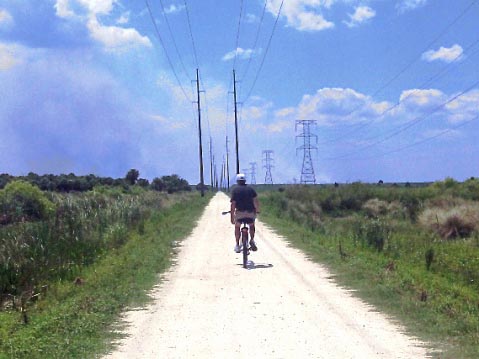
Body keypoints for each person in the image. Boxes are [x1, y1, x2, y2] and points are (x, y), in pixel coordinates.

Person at [230, 173, 260, 253]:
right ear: (245, 181)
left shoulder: (235, 190)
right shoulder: (251, 189)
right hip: (250, 213)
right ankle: (252, 240)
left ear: (237, 181)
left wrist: (232, 217)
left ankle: (237, 244)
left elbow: (233, 205)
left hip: (240, 213)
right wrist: (257, 210)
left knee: (237, 227)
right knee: (251, 225)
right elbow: (255, 201)